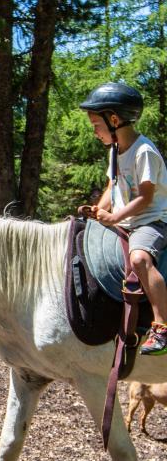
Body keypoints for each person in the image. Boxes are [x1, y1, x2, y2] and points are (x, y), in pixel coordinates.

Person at [79, 81, 167, 355]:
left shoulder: (144, 152)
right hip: (125, 220)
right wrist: (96, 212)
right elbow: (112, 187)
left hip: (150, 221)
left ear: (114, 119)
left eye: (96, 125)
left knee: (140, 258)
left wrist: (114, 216)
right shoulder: (115, 151)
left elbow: (145, 197)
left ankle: (162, 326)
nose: (94, 132)